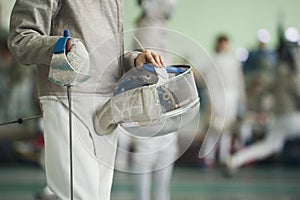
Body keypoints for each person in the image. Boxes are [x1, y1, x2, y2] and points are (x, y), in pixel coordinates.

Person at [8, 1, 165, 199]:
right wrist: (62, 48)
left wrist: (134, 60)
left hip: (108, 104)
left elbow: (105, 55)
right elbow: (20, 39)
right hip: (68, 96)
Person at [115, 1, 178, 200]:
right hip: (150, 97)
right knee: (148, 152)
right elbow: (148, 71)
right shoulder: (147, 28)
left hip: (163, 95)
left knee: (167, 151)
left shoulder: (158, 25)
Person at [224, 30, 300, 174]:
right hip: (293, 118)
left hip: (279, 118)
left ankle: (234, 161)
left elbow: (263, 90)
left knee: (269, 146)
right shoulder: (291, 75)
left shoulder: (278, 73)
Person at [202, 34, 246, 168]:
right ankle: (207, 157)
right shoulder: (214, 60)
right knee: (215, 128)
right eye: (222, 43)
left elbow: (239, 81)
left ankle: (224, 157)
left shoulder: (234, 61)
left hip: (231, 97)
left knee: (227, 129)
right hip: (218, 96)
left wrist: (241, 99)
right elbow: (209, 82)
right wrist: (212, 101)